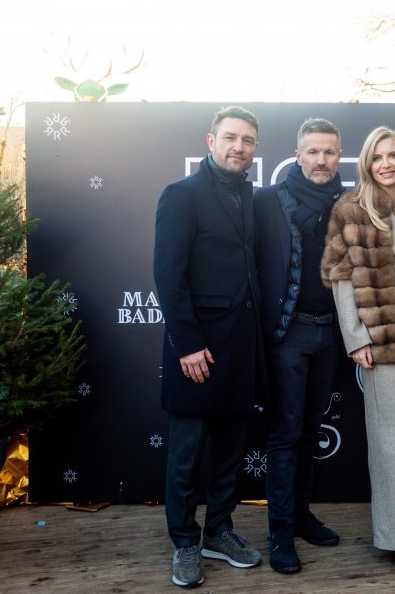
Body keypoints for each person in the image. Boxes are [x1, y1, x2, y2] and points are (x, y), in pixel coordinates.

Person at [321, 126, 395, 577]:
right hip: (381, 335)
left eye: (394, 156)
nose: (387, 164)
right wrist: (356, 338)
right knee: (394, 441)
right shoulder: (351, 208)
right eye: (378, 157)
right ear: (366, 163)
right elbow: (340, 278)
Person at [153, 106, 264, 588]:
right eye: (231, 138)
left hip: (240, 347)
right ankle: (184, 541)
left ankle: (219, 531)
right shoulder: (181, 195)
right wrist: (188, 345)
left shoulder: (253, 199)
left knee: (229, 451)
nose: (240, 147)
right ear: (211, 140)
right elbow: (168, 275)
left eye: (249, 140)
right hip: (195, 350)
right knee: (186, 455)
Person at [254, 118, 344, 574]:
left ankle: (303, 516)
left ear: (338, 156)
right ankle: (280, 530)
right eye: (313, 151)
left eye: (329, 152)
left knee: (311, 431)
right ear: (297, 154)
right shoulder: (268, 201)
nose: (321, 160)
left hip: (330, 333)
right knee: (286, 434)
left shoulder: (349, 204)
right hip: (287, 335)